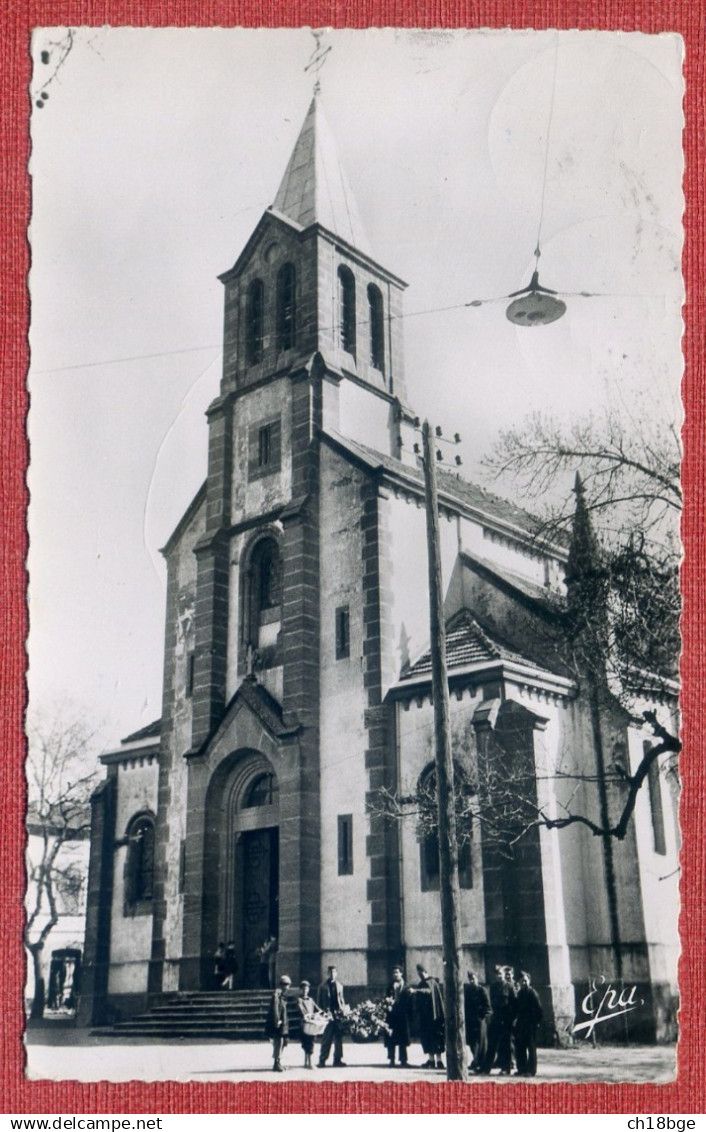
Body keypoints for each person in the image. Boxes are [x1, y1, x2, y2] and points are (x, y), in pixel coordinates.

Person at [410, 963, 445, 1069]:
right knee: (427, 1038)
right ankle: (431, 1060)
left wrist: (415, 991)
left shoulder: (431, 982)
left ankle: (439, 1061)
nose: (419, 975)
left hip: (434, 1017)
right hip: (426, 1017)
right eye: (418, 973)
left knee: (436, 1038)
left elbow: (428, 991)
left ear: (425, 972)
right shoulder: (423, 983)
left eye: (420, 973)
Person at [482, 965, 516, 1075]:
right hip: (496, 1019)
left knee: (505, 1045)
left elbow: (514, 1003)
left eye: (501, 974)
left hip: (506, 1020)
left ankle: (506, 1068)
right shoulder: (493, 987)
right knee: (492, 1044)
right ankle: (486, 1068)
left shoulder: (510, 987)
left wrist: (512, 1018)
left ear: (504, 975)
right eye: (497, 975)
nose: (499, 976)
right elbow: (491, 1003)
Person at [514, 971, 543, 1077]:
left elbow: (539, 1010)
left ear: (529, 981)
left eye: (525, 981)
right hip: (521, 1024)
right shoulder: (520, 993)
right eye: (522, 981)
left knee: (531, 1048)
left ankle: (531, 1070)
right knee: (520, 1047)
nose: (524, 983)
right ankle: (521, 1069)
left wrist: (536, 1023)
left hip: (530, 1025)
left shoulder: (532, 993)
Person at [317, 965, 347, 1067]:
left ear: (336, 973)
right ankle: (322, 1060)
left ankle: (337, 1060)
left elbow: (342, 1001)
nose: (332, 974)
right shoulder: (322, 987)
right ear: (327, 974)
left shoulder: (339, 986)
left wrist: (343, 1011)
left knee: (338, 1039)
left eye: (334, 972)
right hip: (327, 1015)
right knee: (326, 1038)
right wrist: (323, 1014)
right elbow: (319, 1003)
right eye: (330, 972)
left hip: (338, 1015)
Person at [464, 970, 490, 1073]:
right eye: (470, 979)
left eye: (473, 979)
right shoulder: (468, 990)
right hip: (470, 1020)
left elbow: (488, 1007)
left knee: (480, 1042)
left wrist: (482, 1017)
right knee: (471, 1042)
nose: (471, 981)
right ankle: (476, 1061)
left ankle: (479, 1062)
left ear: (477, 979)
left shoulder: (482, 990)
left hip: (480, 1020)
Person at [384, 966, 411, 1067]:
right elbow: (386, 999)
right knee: (391, 1038)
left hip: (403, 1016)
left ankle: (403, 1060)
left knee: (403, 1039)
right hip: (392, 1016)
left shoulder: (407, 986)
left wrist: (410, 1015)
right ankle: (391, 1060)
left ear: (401, 974)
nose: (395, 974)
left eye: (397, 972)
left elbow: (410, 1002)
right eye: (393, 973)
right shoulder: (390, 986)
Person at [297, 980, 326, 1069]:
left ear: (308, 990)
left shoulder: (311, 1000)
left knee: (311, 1042)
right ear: (300, 990)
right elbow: (301, 1009)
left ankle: (309, 1062)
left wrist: (323, 1013)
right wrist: (306, 1015)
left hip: (312, 1024)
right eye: (303, 989)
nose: (305, 991)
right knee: (306, 1043)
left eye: (306, 989)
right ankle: (307, 1062)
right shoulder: (299, 1000)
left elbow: (317, 1009)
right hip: (304, 1024)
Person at [264, 974, 291, 1072]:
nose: (287, 987)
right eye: (286, 985)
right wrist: (277, 1021)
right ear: (283, 985)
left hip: (282, 1023)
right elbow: (276, 1009)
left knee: (281, 1043)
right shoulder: (277, 995)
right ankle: (276, 1064)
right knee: (278, 1043)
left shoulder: (282, 995)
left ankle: (278, 1062)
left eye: (288, 985)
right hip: (278, 1024)